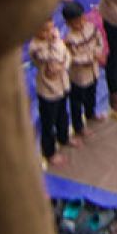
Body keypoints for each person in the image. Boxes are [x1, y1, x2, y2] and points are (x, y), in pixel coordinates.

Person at [29, 18, 75, 166]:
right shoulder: (36, 47)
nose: (50, 33)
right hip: (48, 90)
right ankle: (49, 152)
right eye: (45, 30)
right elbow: (50, 57)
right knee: (49, 122)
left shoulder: (56, 38)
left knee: (63, 113)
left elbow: (66, 54)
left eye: (52, 28)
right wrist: (54, 42)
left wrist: (63, 66)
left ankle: (64, 137)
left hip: (62, 84)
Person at [62, 1, 105, 140]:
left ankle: (90, 113)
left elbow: (100, 41)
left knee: (91, 94)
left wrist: (98, 52)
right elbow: (71, 58)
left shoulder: (91, 28)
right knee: (76, 101)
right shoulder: (69, 40)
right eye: (75, 22)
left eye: (81, 19)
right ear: (68, 23)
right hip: (78, 76)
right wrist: (90, 57)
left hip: (93, 71)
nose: (80, 24)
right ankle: (78, 126)